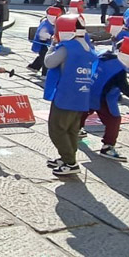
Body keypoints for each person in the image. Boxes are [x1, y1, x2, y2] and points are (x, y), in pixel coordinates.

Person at [86, 38, 129, 162]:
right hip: (102, 98)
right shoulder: (119, 71)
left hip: (89, 91)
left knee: (83, 113)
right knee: (114, 120)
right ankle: (108, 147)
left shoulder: (106, 55)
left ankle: (73, 132)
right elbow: (127, 89)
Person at [44, 15, 97, 176]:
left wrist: (52, 47)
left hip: (66, 94)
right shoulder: (87, 46)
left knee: (57, 128)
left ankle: (70, 162)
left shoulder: (66, 47)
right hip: (81, 94)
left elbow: (49, 63)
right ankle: (67, 156)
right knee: (72, 129)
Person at [28, 6, 63, 74]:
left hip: (46, 43)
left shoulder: (51, 23)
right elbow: (41, 33)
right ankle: (45, 73)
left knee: (42, 56)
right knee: (45, 58)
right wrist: (50, 36)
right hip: (41, 43)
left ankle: (33, 67)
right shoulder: (45, 24)